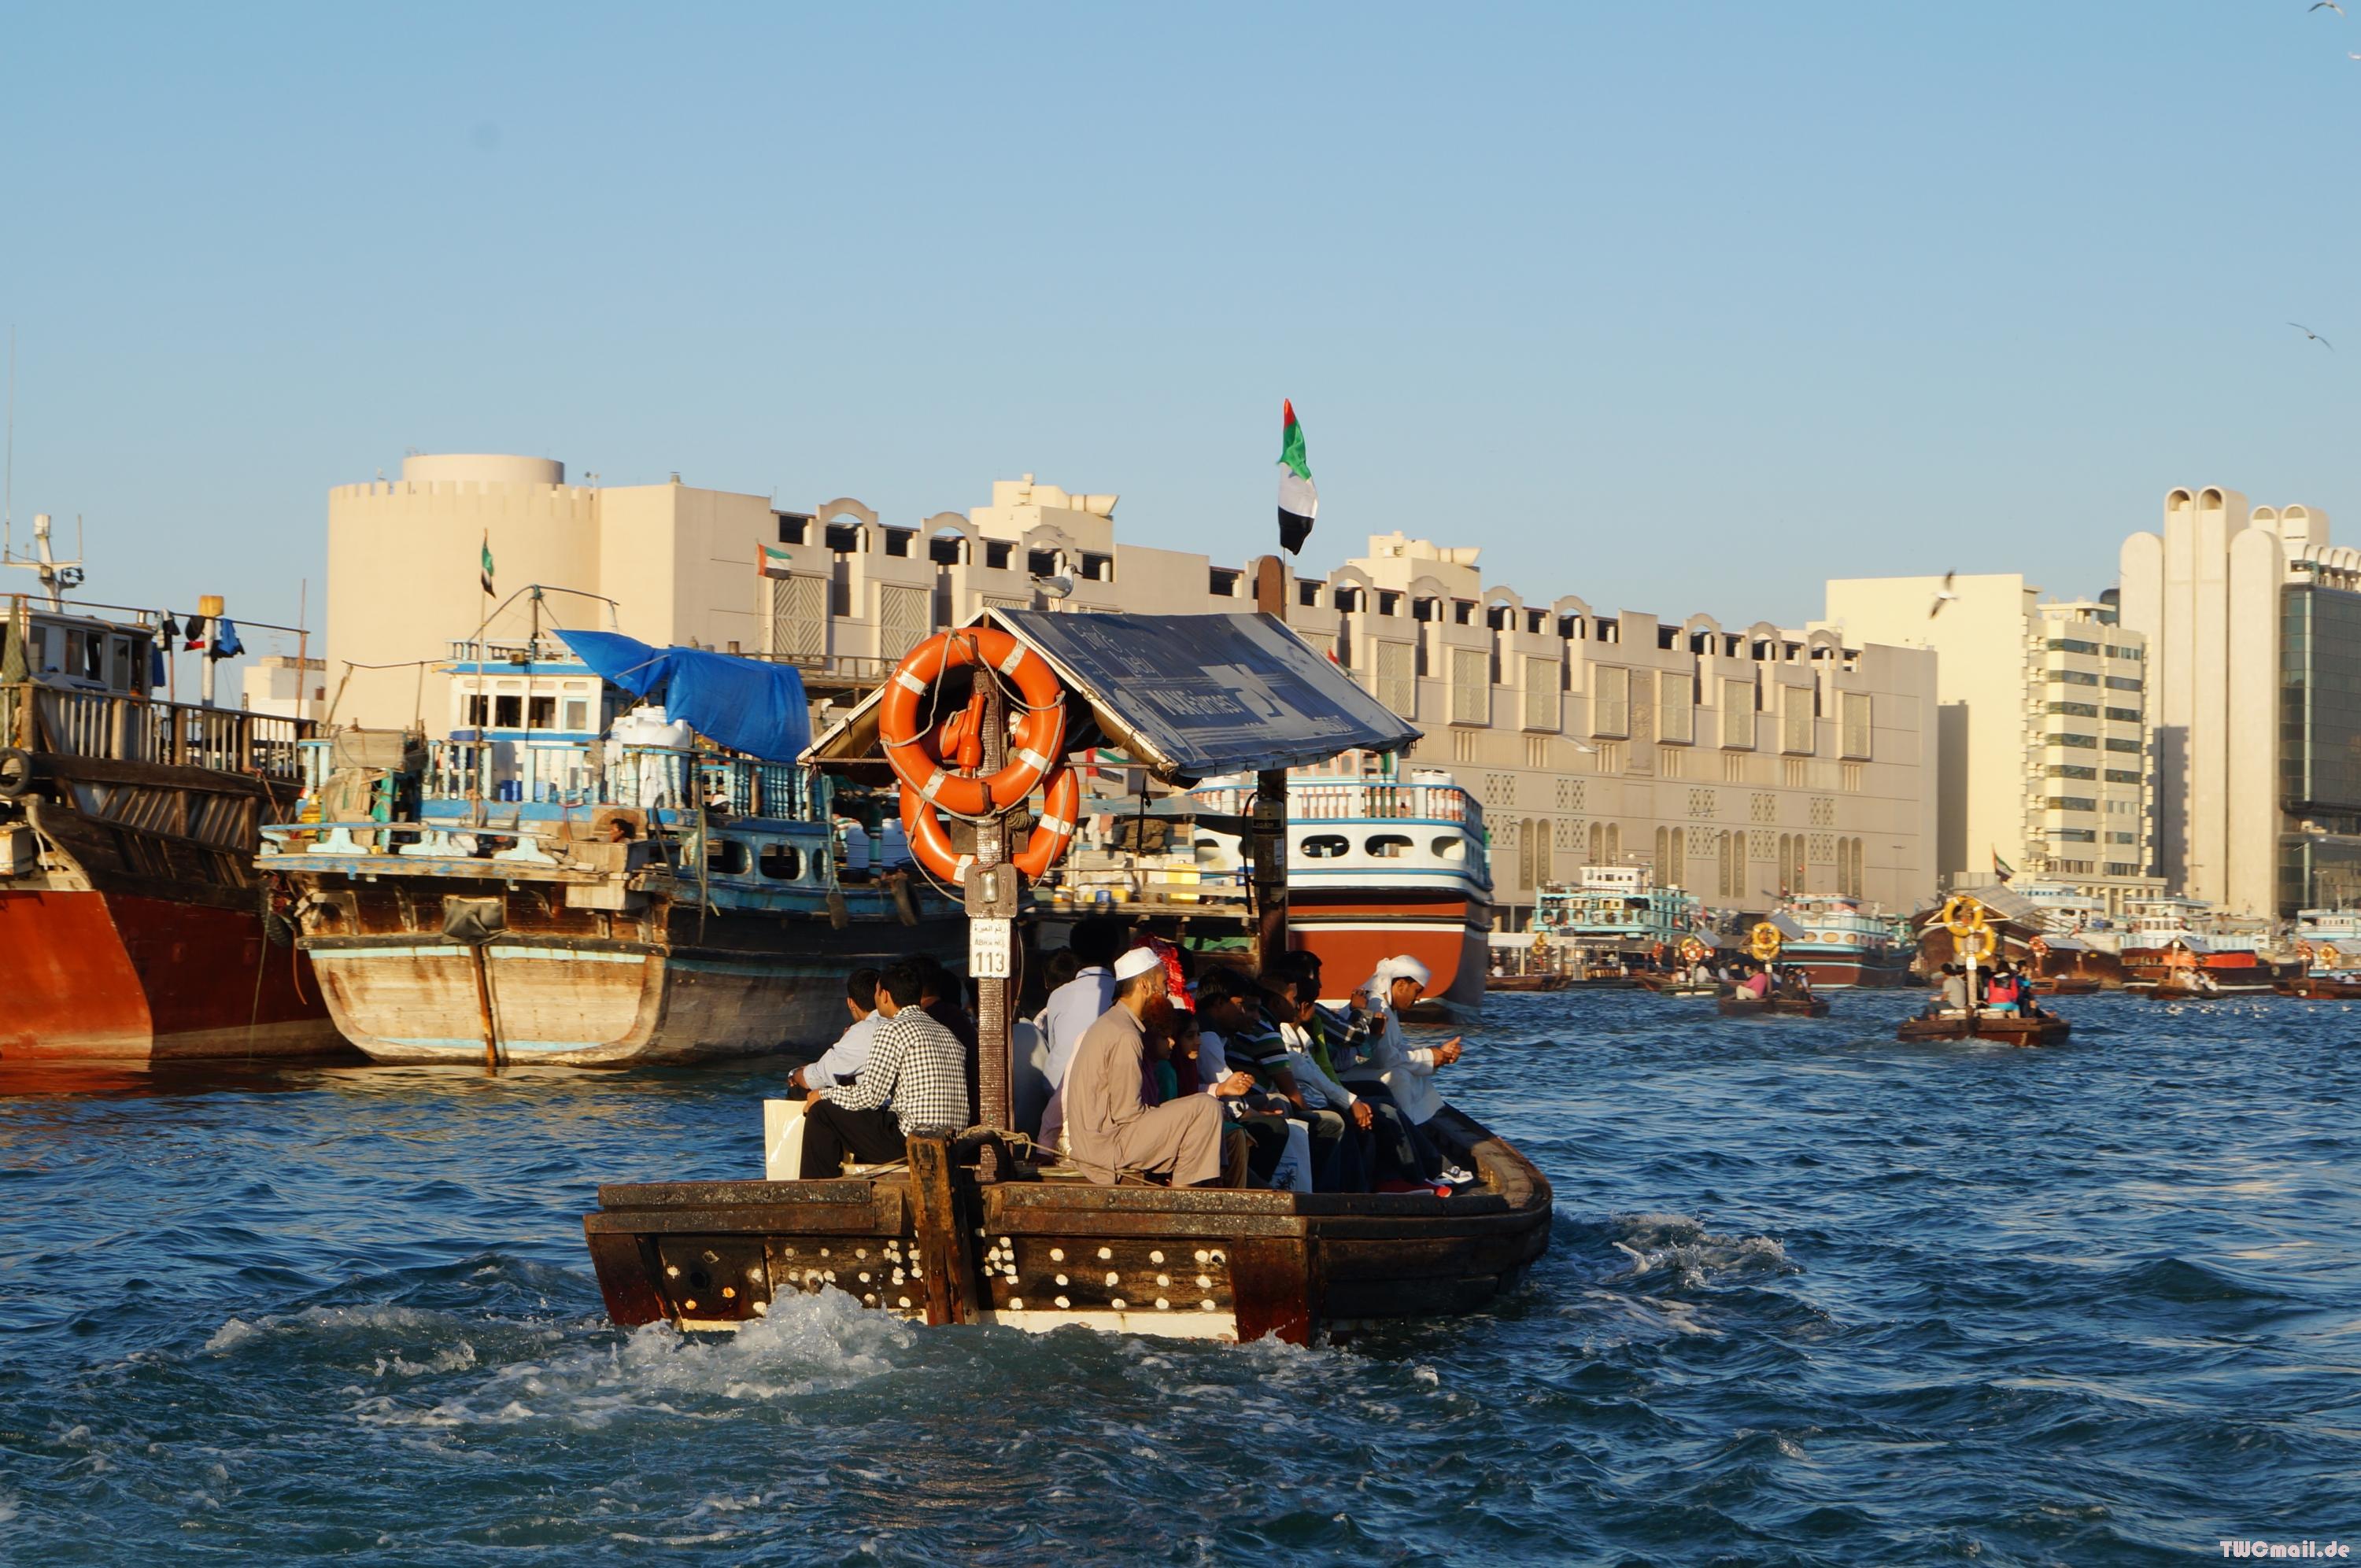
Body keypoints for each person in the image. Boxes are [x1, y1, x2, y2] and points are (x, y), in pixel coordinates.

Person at [1062, 948, 1241, 1186]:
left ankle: (1197, 1187)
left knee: (1204, 1110)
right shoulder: (1125, 1034)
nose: (1168, 992)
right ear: (1145, 986)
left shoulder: (1117, 1023)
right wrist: (1178, 1125)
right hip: (1107, 1149)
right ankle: (1185, 1195)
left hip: (1109, 1141)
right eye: (1164, 984)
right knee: (1206, 1108)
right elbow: (1128, 1114)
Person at [799, 961, 971, 1178]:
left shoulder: (891, 1029)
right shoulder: (945, 1032)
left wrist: (823, 1094)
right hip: (950, 1143)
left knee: (822, 1112)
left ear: (885, 996)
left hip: (912, 1142)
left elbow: (870, 1096)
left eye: (877, 992)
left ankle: (816, 1191)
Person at [1343, 955, 1471, 1186]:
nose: (1418, 998)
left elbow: (1395, 1050)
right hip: (1345, 1073)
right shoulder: (1377, 1006)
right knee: (1399, 1077)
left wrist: (1436, 1055)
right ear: (1401, 985)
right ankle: (1418, 1156)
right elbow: (1384, 1060)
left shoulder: (1386, 1007)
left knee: (1413, 1075)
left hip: (1357, 1069)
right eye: (1417, 991)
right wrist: (1430, 1056)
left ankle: (1418, 1139)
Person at [1036, 917, 1125, 1149]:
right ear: (1115, 953)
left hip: (1058, 1105)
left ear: (1075, 952)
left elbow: (1057, 1052)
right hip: (1109, 1111)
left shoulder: (1058, 996)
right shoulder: (1122, 995)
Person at [789, 968, 884, 1095]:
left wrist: (794, 1074)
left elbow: (815, 1079)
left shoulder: (863, 1031)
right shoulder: (900, 1022)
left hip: (881, 1105)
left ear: (850, 1003)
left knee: (799, 1091)